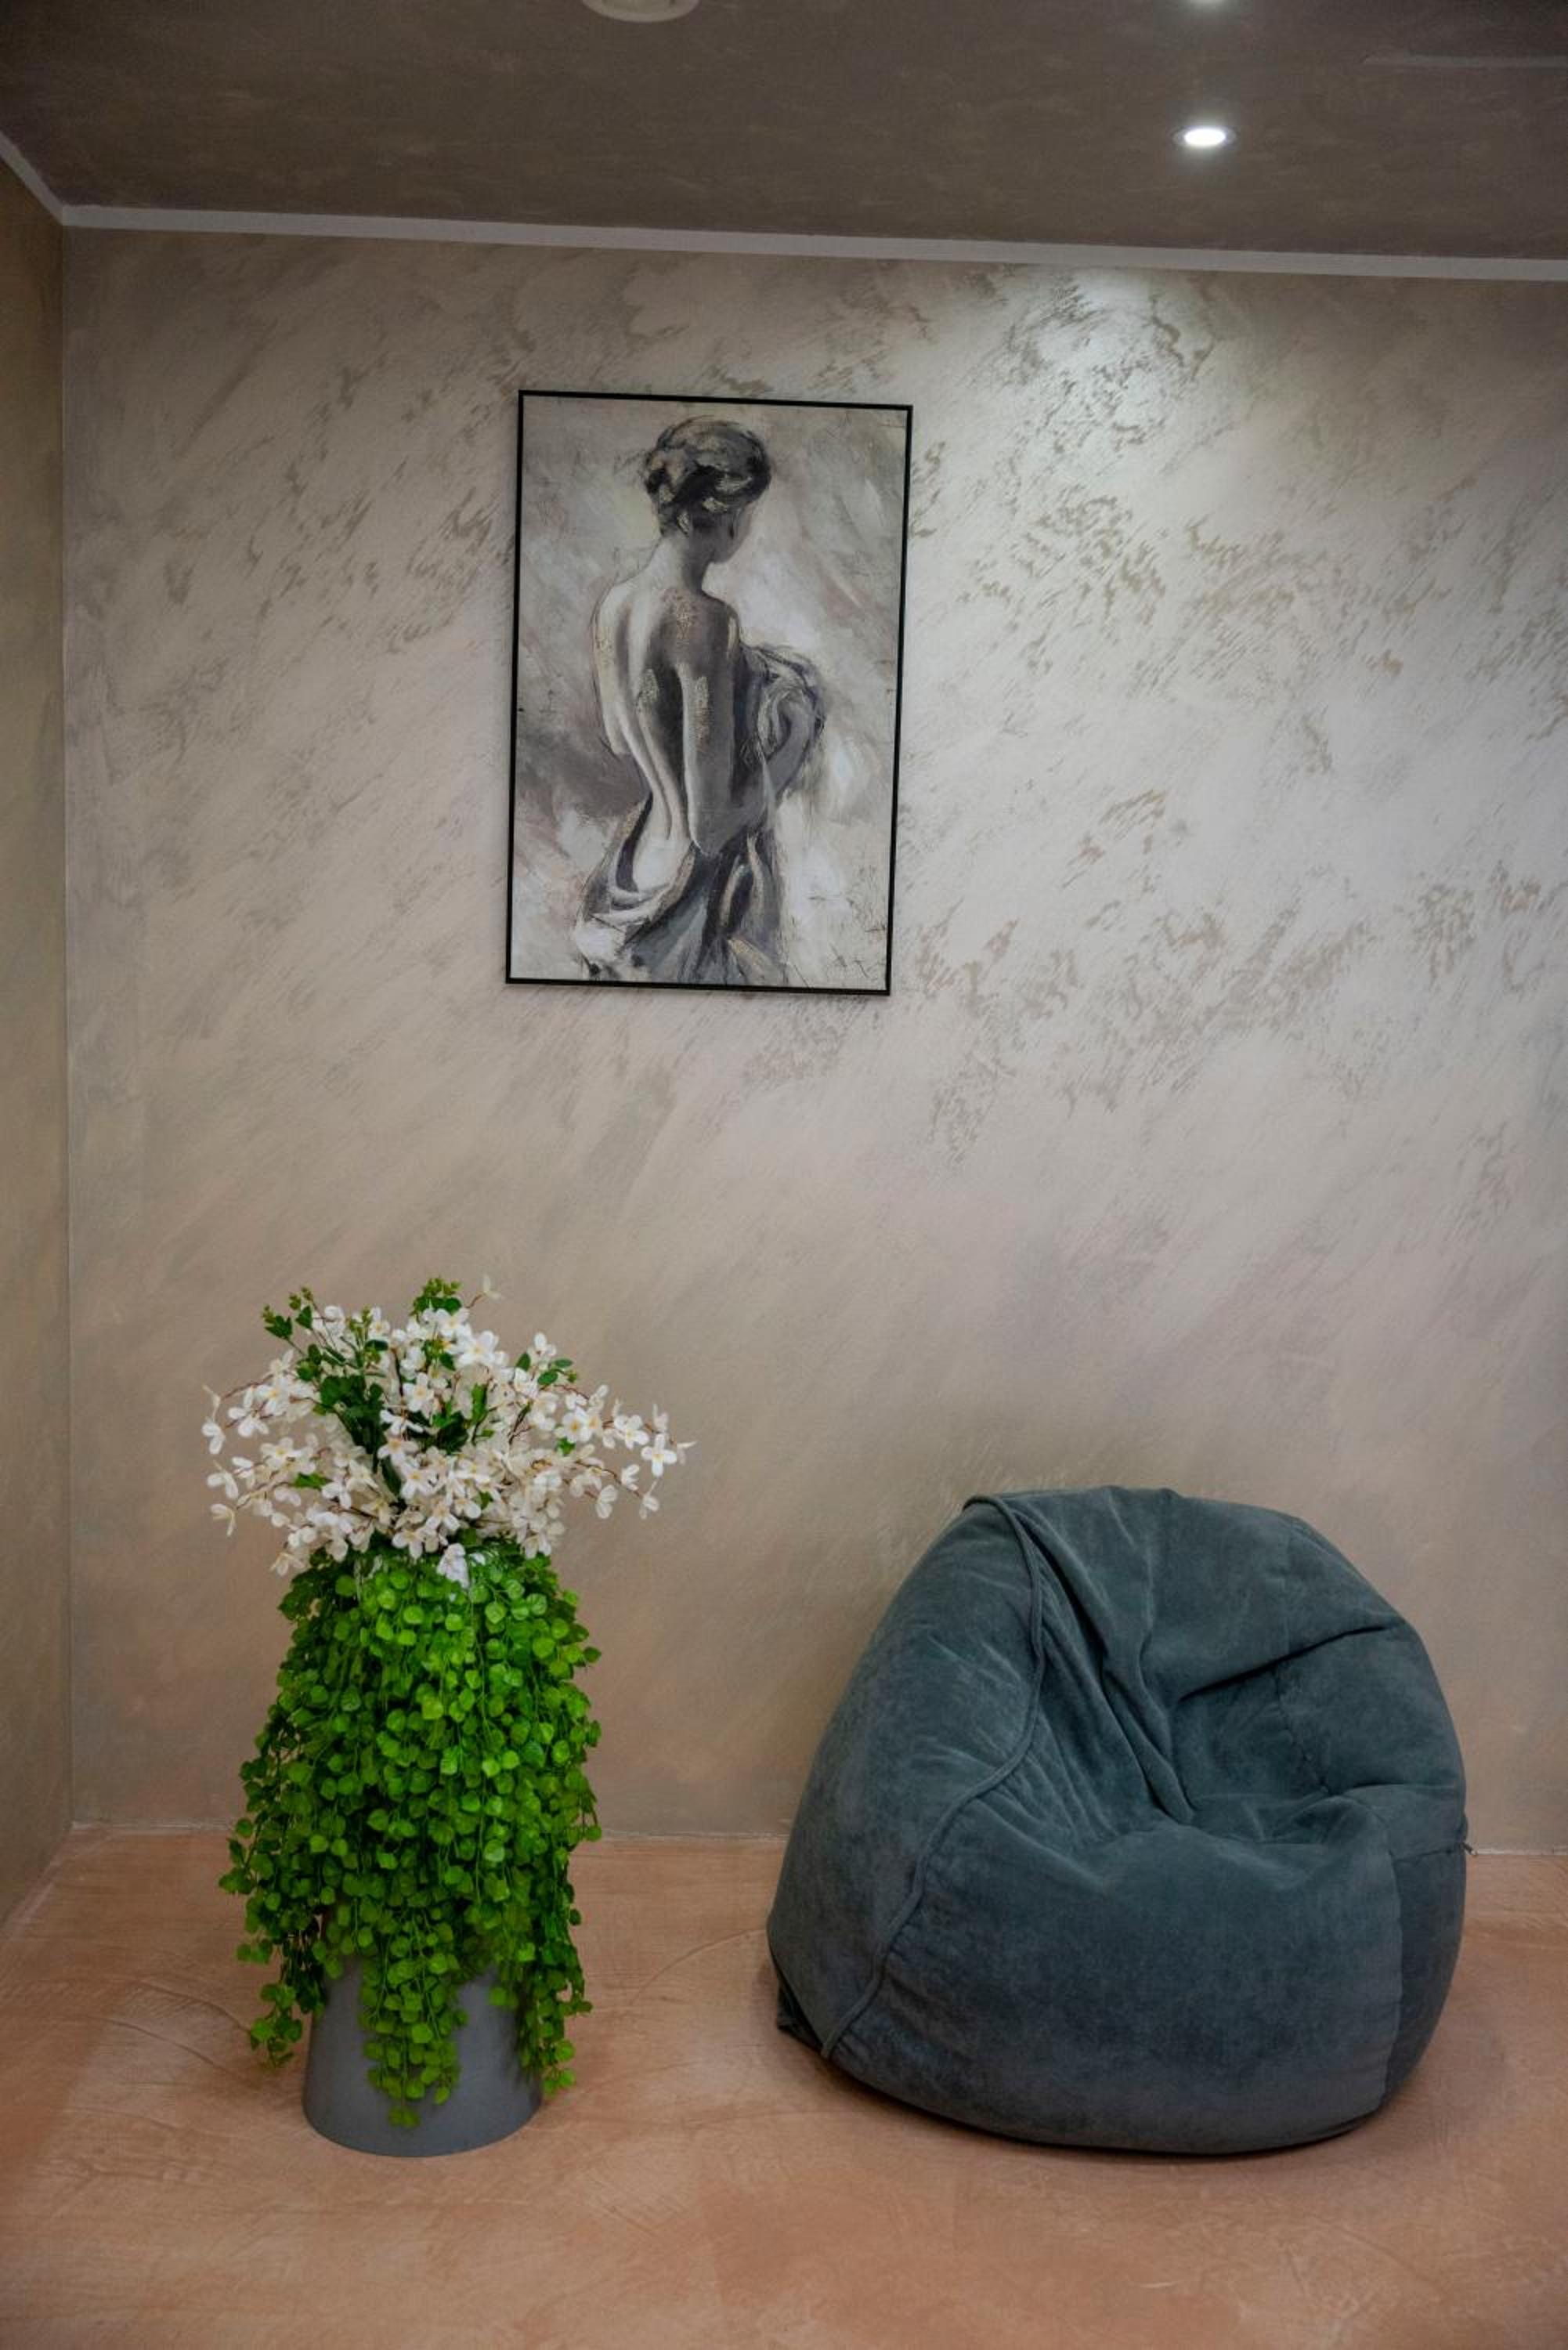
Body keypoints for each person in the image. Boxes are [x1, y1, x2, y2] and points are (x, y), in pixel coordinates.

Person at [573, 416, 825, 985]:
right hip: (689, 893)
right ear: (728, 516)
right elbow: (711, 828)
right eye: (748, 514)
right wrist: (796, 739)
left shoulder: (614, 606)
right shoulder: (706, 622)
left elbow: (620, 740)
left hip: (633, 870)